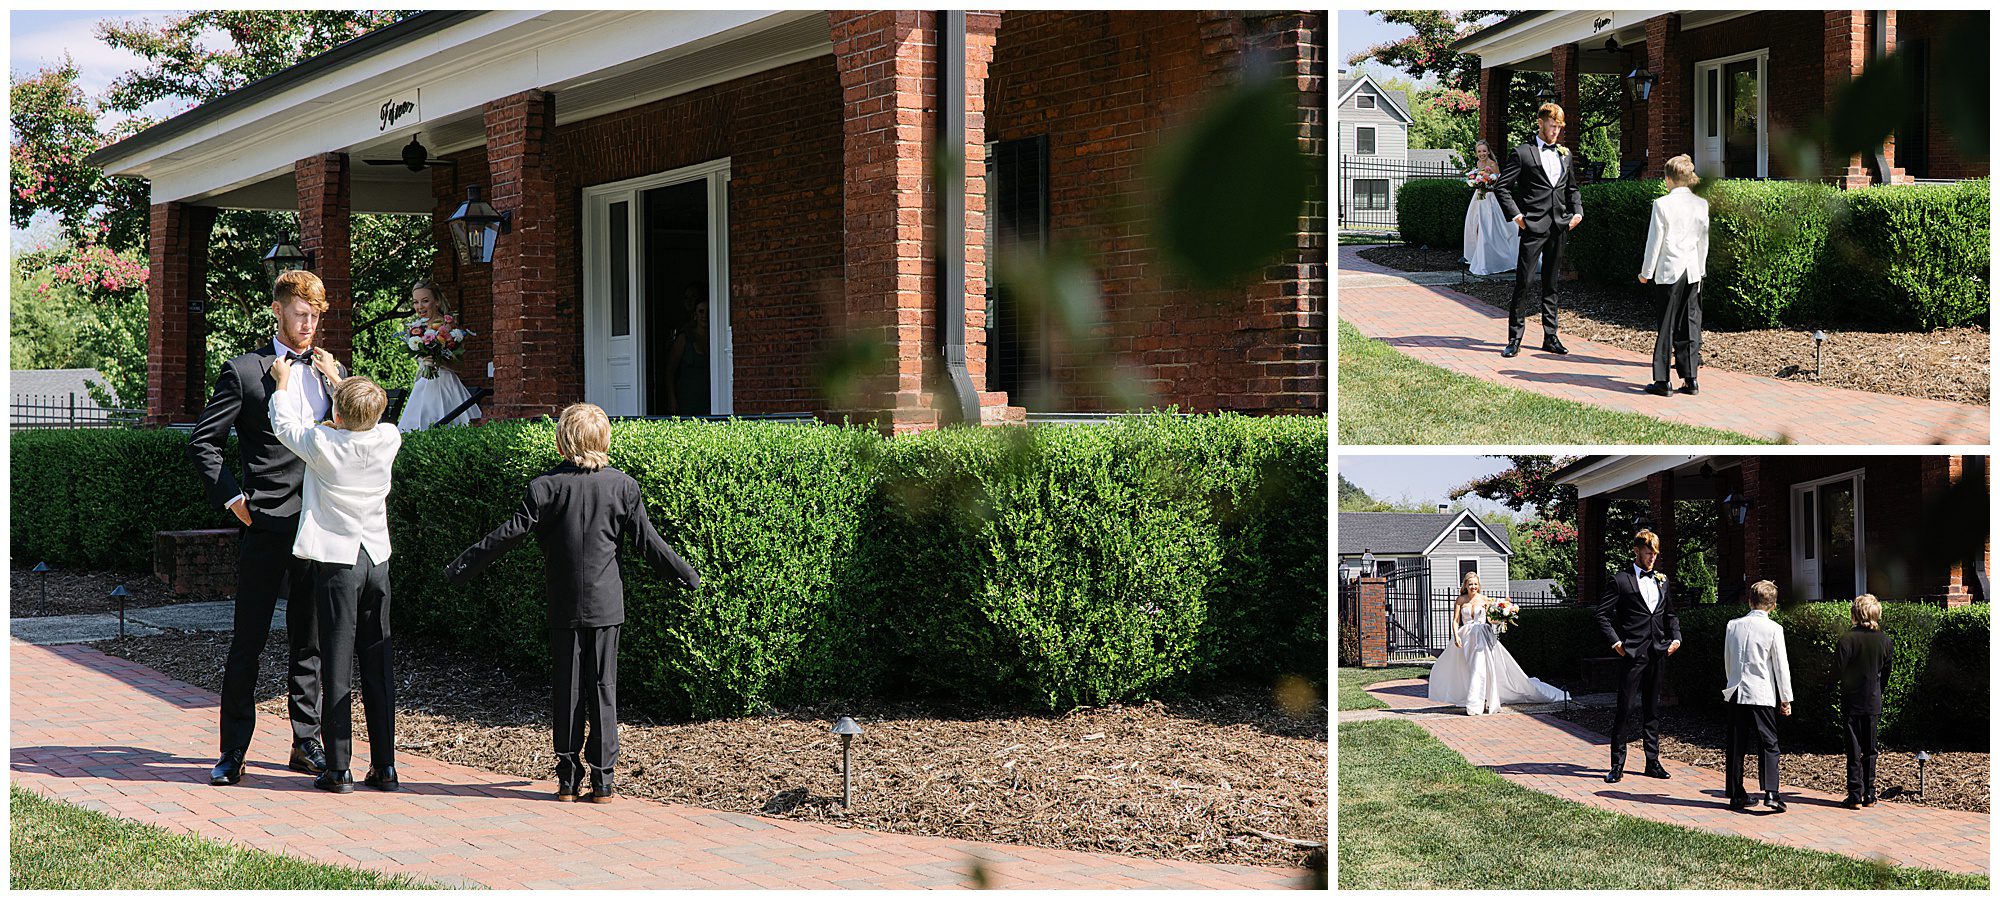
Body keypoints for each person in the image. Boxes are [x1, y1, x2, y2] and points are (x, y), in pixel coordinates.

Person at [444, 403, 701, 802]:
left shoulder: (545, 487)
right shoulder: (622, 486)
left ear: (564, 442)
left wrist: (462, 567)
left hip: (563, 602)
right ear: (603, 440)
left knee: (566, 687)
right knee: (603, 687)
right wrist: (685, 574)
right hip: (605, 605)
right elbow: (648, 543)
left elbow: (507, 534)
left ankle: (566, 779)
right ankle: (603, 782)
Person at [186, 269, 337, 787]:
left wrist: (339, 385)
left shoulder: (328, 371)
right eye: (301, 313)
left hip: (318, 524)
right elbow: (203, 443)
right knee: (247, 640)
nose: (309, 323)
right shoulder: (245, 371)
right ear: (278, 310)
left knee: (310, 640)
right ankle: (233, 750)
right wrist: (233, 498)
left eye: (316, 315)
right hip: (266, 522)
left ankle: (306, 742)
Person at [269, 353, 403, 794]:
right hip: (376, 560)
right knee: (378, 665)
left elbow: (286, 427)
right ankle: (385, 767)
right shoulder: (389, 438)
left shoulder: (324, 447)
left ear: (338, 416)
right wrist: (335, 379)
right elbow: (362, 415)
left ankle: (338, 767)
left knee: (337, 666)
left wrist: (283, 382)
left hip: (338, 564)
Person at [1493, 102, 1583, 359]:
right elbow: (1502, 187)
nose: (1556, 132)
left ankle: (1550, 337)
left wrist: (1577, 212)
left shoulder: (1564, 154)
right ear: (1541, 123)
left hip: (1559, 225)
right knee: (1524, 281)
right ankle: (1514, 338)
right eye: (1553, 126)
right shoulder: (1523, 153)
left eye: (1559, 127)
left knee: (1552, 283)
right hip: (1532, 225)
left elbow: (1572, 188)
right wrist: (1517, 216)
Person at [1593, 528, 1681, 783]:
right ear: (1636, 551)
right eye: (1647, 552)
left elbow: (1670, 615)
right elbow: (1601, 615)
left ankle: (1652, 762)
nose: (1652, 557)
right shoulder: (1620, 580)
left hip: (1658, 652)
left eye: (1655, 553)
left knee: (1653, 709)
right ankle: (1617, 765)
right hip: (1632, 653)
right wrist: (1616, 643)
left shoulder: (1662, 580)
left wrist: (1676, 638)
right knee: (1626, 708)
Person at [1426, 571, 1567, 714]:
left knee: (1479, 668)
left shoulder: (1485, 600)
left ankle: (1477, 704)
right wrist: (1456, 636)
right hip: (1466, 639)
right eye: (1470, 584)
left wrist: (1504, 614)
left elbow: (1491, 620)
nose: (1473, 587)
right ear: (1465, 585)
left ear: (1478, 585)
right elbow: (1456, 621)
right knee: (1467, 669)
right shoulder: (1461, 600)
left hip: (1483, 638)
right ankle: (1477, 698)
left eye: (1475, 584)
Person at [1638, 153, 1711, 397]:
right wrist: (1700, 270)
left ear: (1668, 179)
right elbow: (1704, 242)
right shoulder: (1701, 204)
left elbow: (1654, 243)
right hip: (1692, 271)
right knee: (1690, 325)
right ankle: (1691, 380)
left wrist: (1646, 273)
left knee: (1666, 326)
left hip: (1669, 271)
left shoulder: (1662, 204)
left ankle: (1662, 381)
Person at [1722, 579, 1793, 812]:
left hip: (1736, 691)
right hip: (1761, 694)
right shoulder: (1774, 629)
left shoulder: (1733, 625)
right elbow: (1781, 667)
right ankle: (1771, 792)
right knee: (1769, 744)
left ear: (1750, 600)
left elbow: (1728, 659)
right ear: (1773, 605)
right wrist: (1785, 698)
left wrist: (1731, 681)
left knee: (1735, 744)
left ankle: (1735, 793)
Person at [398, 280, 481, 431]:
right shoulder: (416, 329)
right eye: (415, 302)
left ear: (436, 301)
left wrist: (439, 361)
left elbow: (461, 367)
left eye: (425, 301)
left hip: (446, 386)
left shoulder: (449, 328)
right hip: (422, 384)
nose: (419, 307)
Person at [1835, 593, 1893, 809]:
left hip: (1851, 700)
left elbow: (1837, 671)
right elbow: (1886, 672)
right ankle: (1870, 793)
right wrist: (1879, 690)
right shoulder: (1885, 641)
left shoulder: (1846, 640)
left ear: (1855, 614)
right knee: (1871, 749)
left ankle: (1854, 794)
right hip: (1872, 700)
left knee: (1853, 748)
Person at [1460, 140, 1518, 277]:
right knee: (1474, 225)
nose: (1482, 154)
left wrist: (1487, 184)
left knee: (1489, 228)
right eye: (1479, 151)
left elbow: (1498, 184)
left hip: (1490, 198)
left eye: (1484, 151)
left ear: (1488, 151)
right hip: (1478, 198)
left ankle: (1495, 260)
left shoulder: (1493, 164)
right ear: (1476, 153)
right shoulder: (1478, 164)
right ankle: (1478, 257)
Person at [662, 289, 711, 417]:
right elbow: (670, 371)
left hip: (710, 398)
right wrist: (671, 398)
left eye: (708, 312)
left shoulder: (716, 338)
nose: (704, 315)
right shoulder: (684, 338)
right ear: (695, 314)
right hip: (688, 399)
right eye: (701, 311)